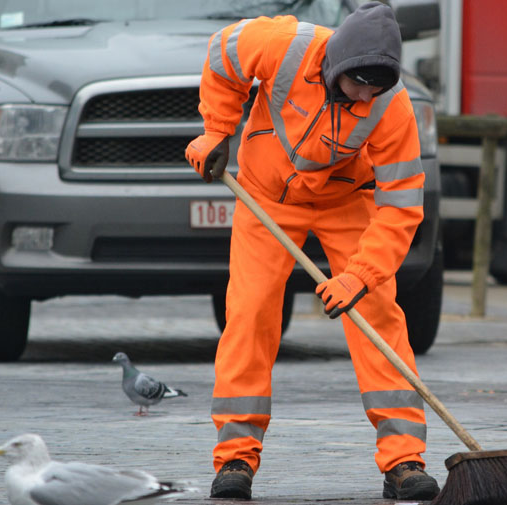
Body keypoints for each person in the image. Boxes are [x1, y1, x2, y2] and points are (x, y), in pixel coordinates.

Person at [185, 2, 439, 501]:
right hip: (266, 197)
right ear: (336, 64)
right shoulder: (281, 44)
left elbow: (402, 207)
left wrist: (360, 275)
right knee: (251, 311)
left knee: (377, 312)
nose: (366, 96)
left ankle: (404, 459)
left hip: (348, 200)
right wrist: (217, 129)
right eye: (358, 85)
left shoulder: (394, 107)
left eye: (376, 87)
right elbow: (222, 55)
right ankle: (235, 457)